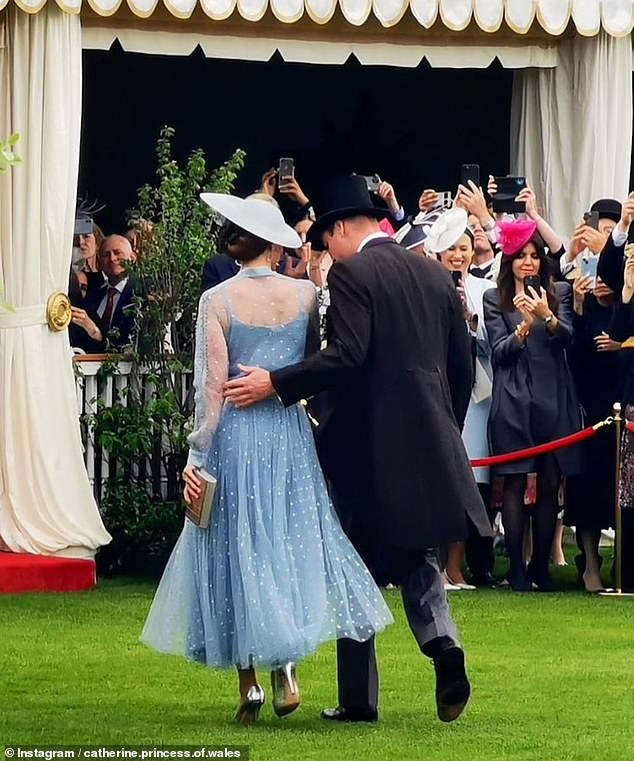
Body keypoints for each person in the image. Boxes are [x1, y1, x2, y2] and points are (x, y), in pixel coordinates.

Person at [223, 175, 490, 724]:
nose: (324, 249)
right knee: (417, 556)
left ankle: (359, 698)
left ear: (343, 229)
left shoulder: (351, 273)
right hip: (429, 438)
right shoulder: (433, 273)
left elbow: (347, 355)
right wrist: (445, 425)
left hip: (365, 444)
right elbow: (462, 366)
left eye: (325, 238)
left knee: (353, 562)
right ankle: (445, 646)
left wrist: (276, 382)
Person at [141, 193, 393, 724]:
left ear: (234, 242)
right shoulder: (305, 296)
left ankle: (251, 682)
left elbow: (212, 389)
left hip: (236, 436)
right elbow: (311, 367)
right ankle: (288, 670)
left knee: (238, 548)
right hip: (287, 433)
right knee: (285, 540)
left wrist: (196, 453)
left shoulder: (218, 299)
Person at [483, 220, 581, 592]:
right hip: (513, 396)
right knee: (513, 481)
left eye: (534, 256)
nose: (529, 262)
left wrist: (548, 317)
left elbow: (568, 337)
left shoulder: (558, 291)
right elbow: (498, 354)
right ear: (509, 260)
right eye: (521, 256)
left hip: (553, 394)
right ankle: (517, 570)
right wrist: (522, 329)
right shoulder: (496, 298)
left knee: (551, 478)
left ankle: (541, 564)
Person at [425, 209, 497, 589]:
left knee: (469, 482)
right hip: (435, 390)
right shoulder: (426, 283)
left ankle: (458, 565)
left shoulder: (484, 290)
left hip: (476, 393)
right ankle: (433, 564)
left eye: (464, 247)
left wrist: (469, 318)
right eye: (451, 247)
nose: (458, 254)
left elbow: (492, 342)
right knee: (438, 478)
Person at [84, 234, 142, 349]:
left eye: (117, 253)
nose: (112, 259)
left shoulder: (142, 291)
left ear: (133, 258)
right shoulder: (93, 293)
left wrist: (96, 333)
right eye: (106, 255)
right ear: (99, 261)